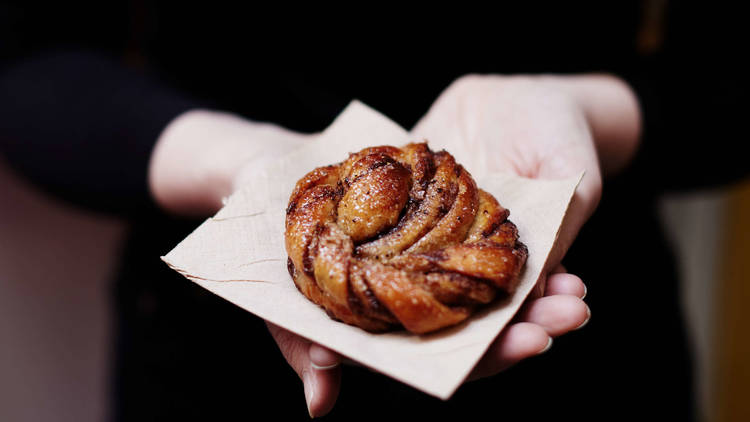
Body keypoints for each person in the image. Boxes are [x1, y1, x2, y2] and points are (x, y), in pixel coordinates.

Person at [1, 2, 746, 420]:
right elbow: (27, 60)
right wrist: (233, 159)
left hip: (592, 368)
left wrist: (592, 111)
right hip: (218, 350)